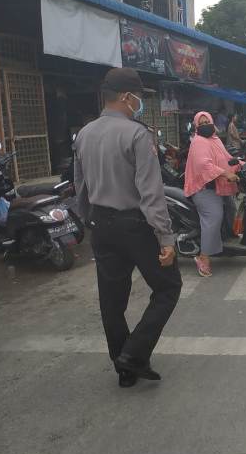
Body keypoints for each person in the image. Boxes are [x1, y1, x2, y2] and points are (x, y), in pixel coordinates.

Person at [73, 67, 182, 388]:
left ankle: (123, 367)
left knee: (112, 300)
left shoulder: (84, 134)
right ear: (125, 97)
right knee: (168, 287)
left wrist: (87, 223)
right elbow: (151, 193)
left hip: (101, 225)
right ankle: (134, 355)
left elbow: (80, 187)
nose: (139, 103)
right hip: (135, 226)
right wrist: (165, 237)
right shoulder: (137, 134)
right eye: (138, 97)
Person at [184, 112, 241, 277]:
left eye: (206, 122)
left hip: (216, 185)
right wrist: (226, 174)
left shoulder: (215, 140)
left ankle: (226, 242)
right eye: (201, 123)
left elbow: (226, 158)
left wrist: (241, 164)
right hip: (203, 187)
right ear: (196, 126)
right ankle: (203, 257)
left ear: (212, 122)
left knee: (231, 209)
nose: (204, 125)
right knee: (215, 216)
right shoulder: (198, 142)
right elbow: (204, 165)